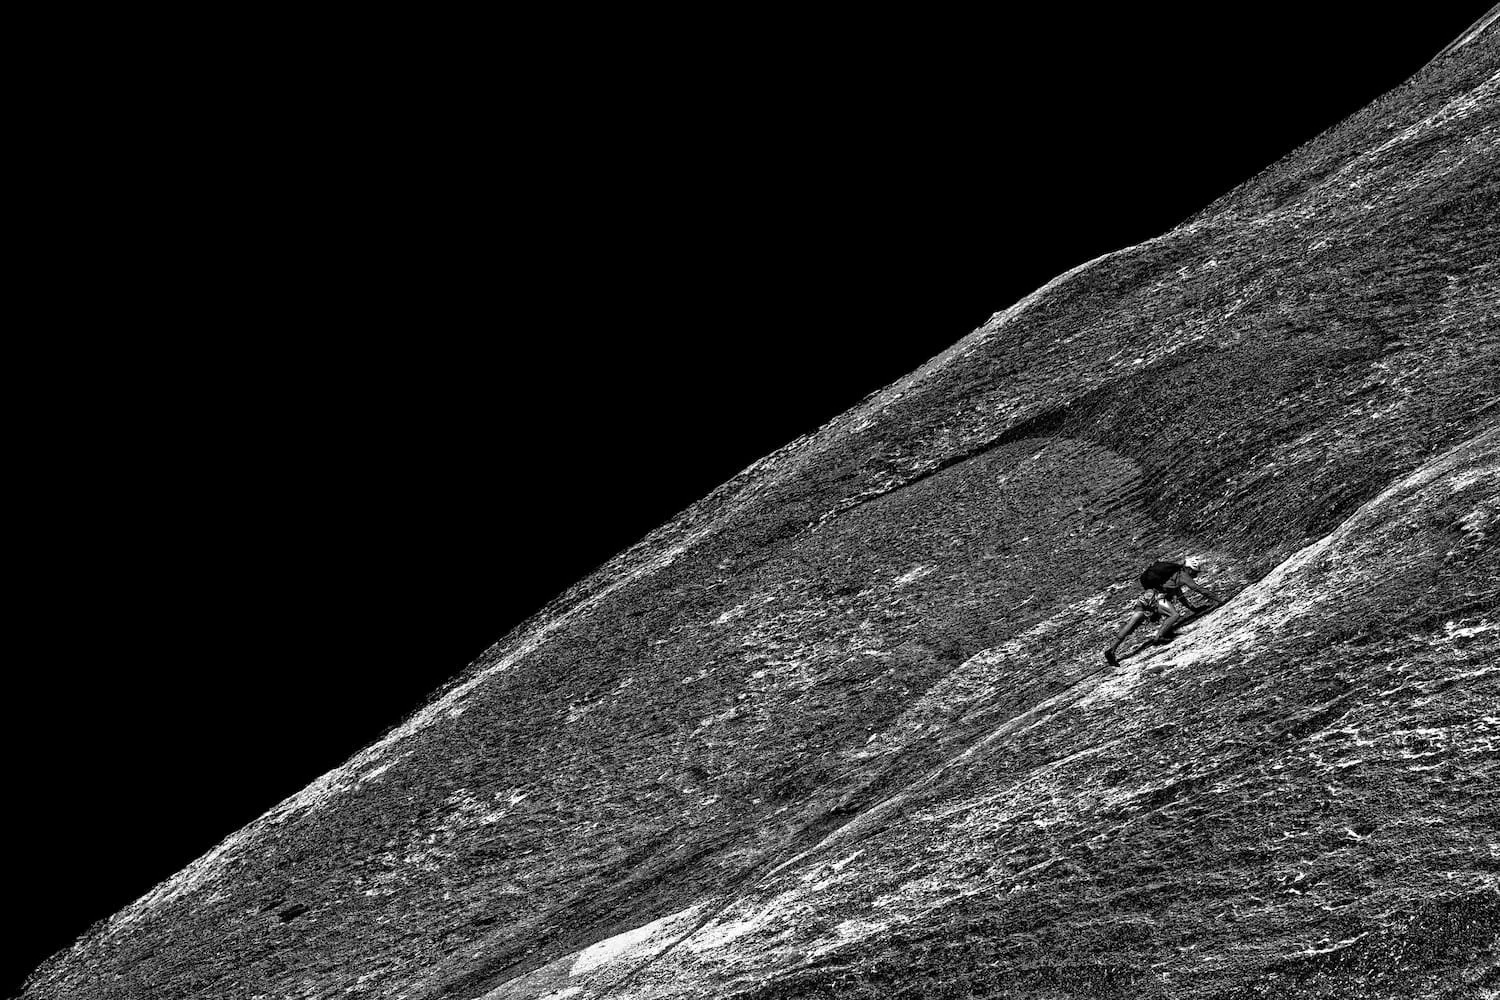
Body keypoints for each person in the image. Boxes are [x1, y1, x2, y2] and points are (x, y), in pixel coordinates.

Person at [1103, 561, 1227, 665]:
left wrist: (1194, 609)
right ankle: (1159, 637)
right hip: (1156, 598)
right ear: (1189, 569)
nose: (1195, 575)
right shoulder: (1182, 575)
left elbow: (1181, 597)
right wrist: (1219, 600)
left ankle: (1112, 649)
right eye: (1194, 572)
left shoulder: (1172, 578)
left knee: (1132, 624)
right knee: (1174, 615)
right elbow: (1197, 589)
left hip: (1145, 597)